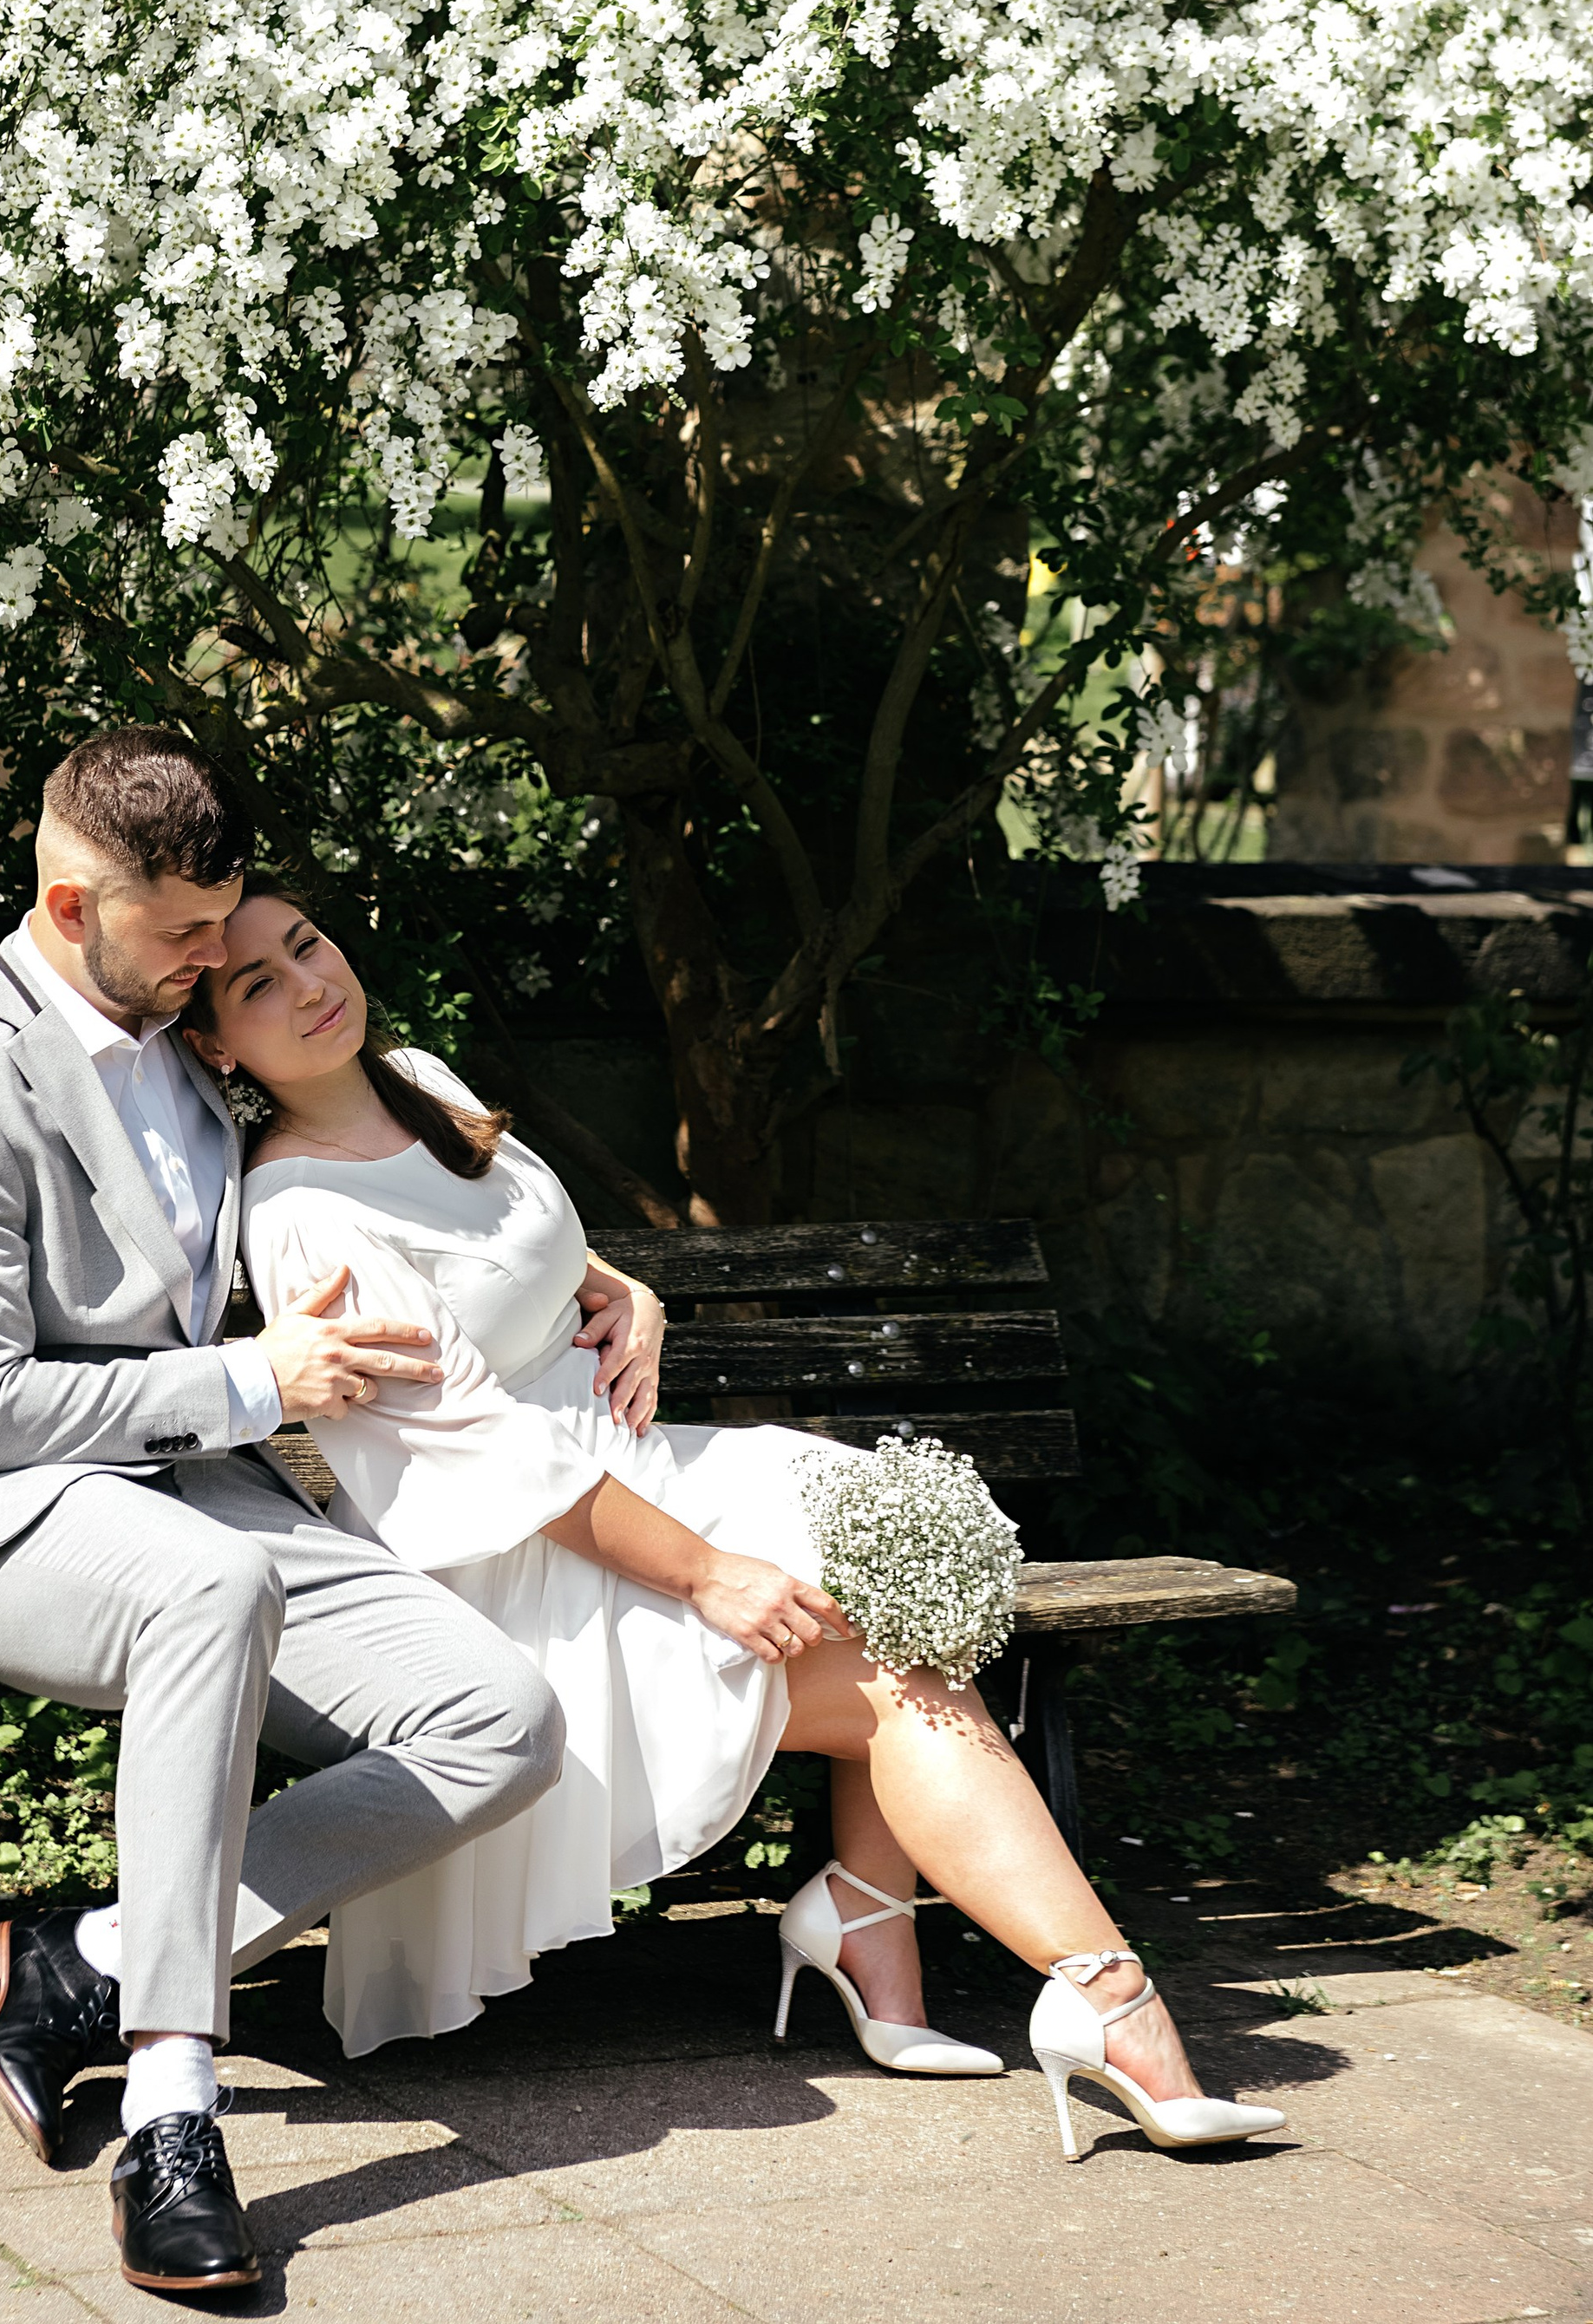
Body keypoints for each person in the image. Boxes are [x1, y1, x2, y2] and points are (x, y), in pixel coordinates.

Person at [186, 884, 1286, 2161]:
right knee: (885, 1671)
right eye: (255, 985)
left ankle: (879, 1936)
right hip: (529, 1552)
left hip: (633, 1473)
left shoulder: (418, 1079)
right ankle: (1097, 2000)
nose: (308, 986)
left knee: (894, 1564)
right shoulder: (304, 1211)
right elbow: (484, 1452)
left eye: (307, 947)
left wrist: (627, 1288)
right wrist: (708, 1574)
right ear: (216, 1044)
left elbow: (521, 1248)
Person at [0, 732, 565, 2294]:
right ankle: (173, 2107)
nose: (213, 956)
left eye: (223, 926)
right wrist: (254, 1383)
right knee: (203, 1590)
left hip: (212, 1502)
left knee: (502, 1719)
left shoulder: (196, 1036)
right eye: (181, 932)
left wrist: (604, 1286)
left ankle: (91, 1956)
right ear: (63, 903)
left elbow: (417, 1177)